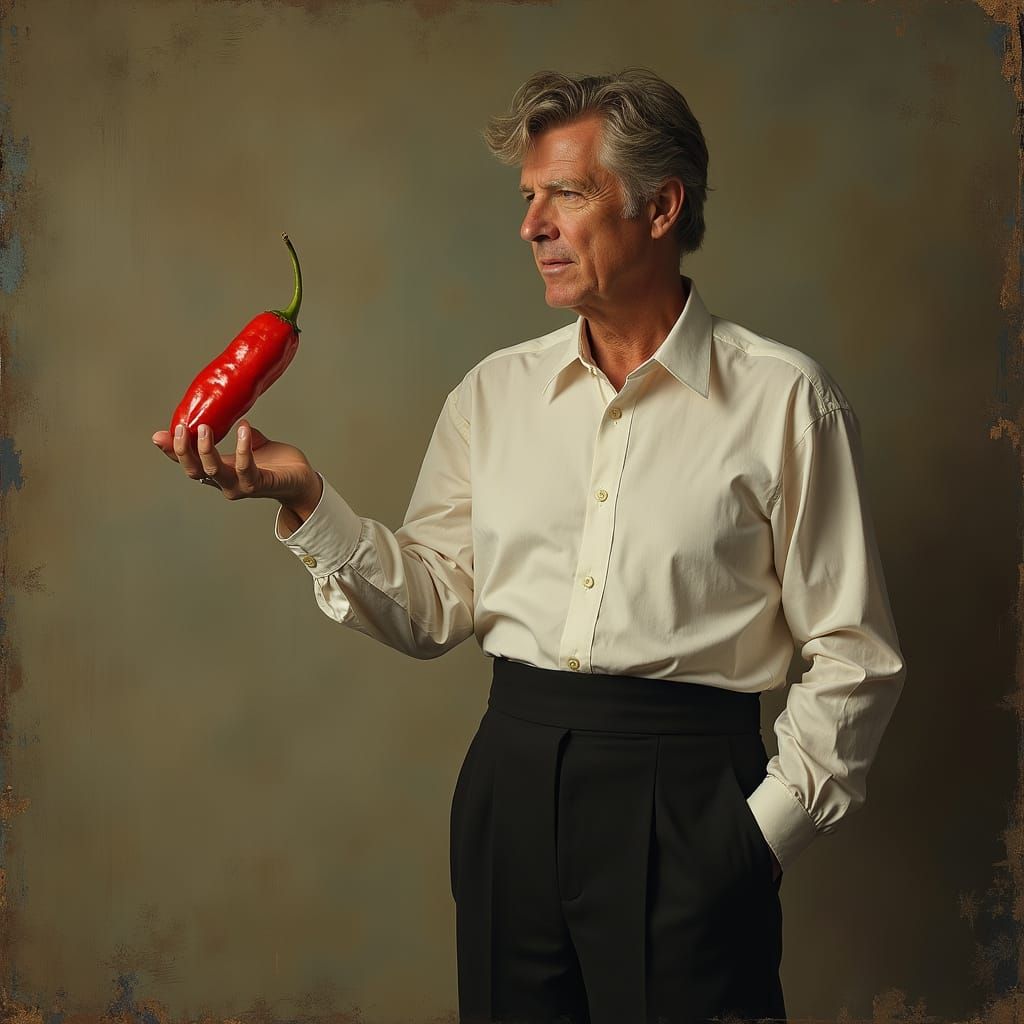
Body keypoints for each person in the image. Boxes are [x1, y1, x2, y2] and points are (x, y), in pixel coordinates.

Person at [152, 68, 906, 1024]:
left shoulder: (785, 400)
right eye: (527, 197)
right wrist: (308, 498)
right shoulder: (491, 395)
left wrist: (755, 840)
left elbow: (855, 656)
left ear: (662, 205)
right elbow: (432, 608)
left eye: (567, 193)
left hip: (690, 800)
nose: (532, 225)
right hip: (511, 794)